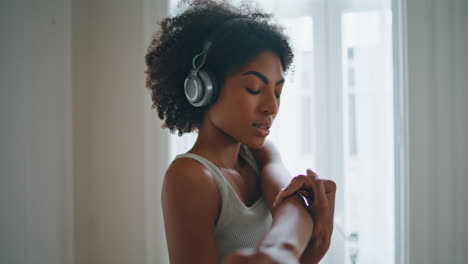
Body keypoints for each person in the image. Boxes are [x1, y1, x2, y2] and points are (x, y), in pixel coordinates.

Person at [144, 0, 336, 263]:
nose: (271, 107)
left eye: (277, 92)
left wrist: (294, 253)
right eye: (254, 88)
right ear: (202, 88)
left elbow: (289, 206)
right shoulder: (190, 176)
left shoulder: (261, 154)